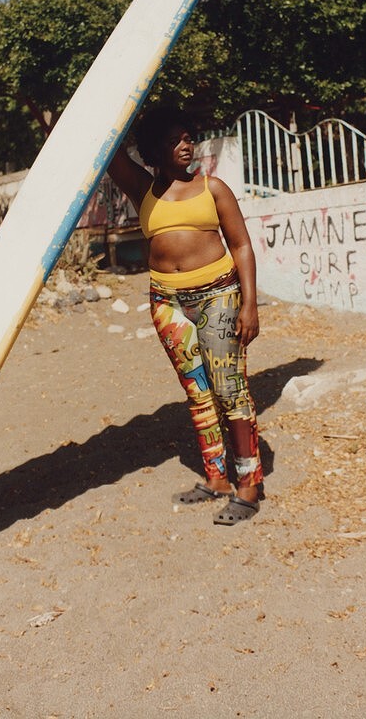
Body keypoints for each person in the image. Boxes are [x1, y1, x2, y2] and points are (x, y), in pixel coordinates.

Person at [108, 107, 264, 525]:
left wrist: (249, 304)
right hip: (167, 303)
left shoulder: (213, 189)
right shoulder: (143, 189)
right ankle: (215, 478)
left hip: (218, 296)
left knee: (229, 389)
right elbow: (109, 151)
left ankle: (248, 484)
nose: (186, 144)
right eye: (175, 138)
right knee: (198, 394)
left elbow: (242, 246)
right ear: (154, 148)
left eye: (188, 136)